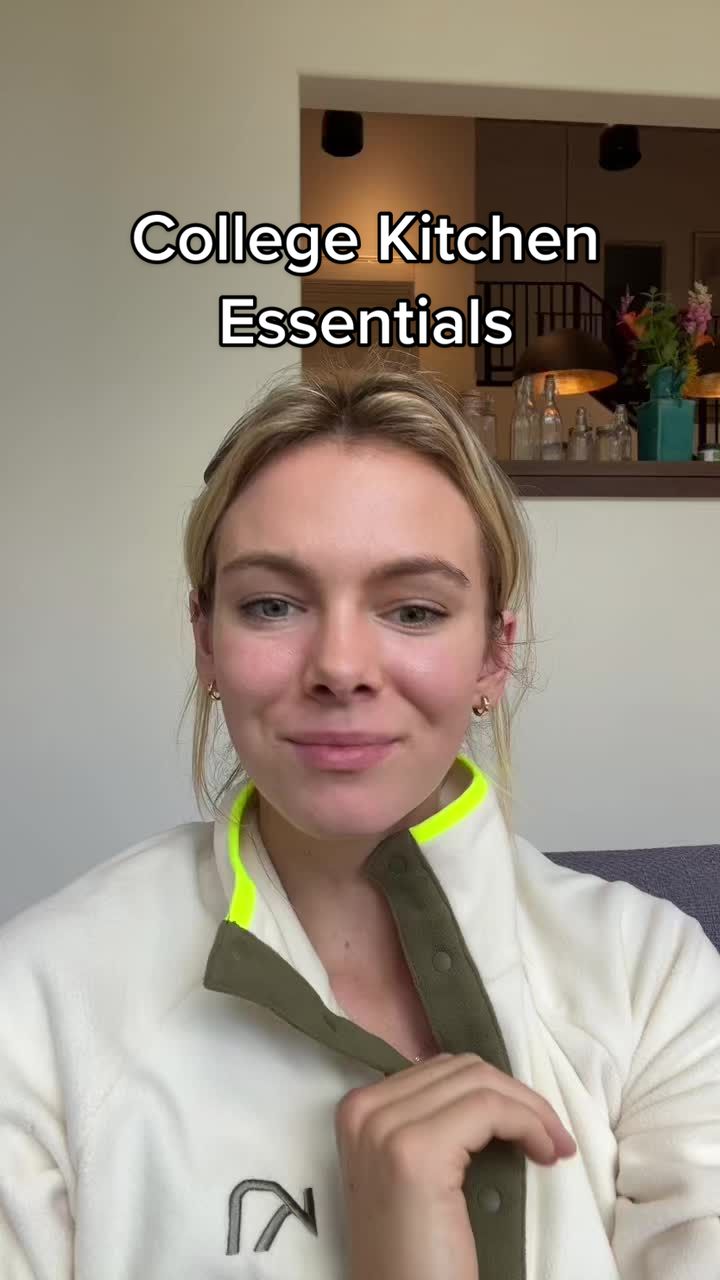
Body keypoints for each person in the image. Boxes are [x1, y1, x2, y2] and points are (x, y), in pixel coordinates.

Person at [1, 365, 718, 1280]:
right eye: (272, 605)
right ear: (206, 640)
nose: (340, 666)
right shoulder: (35, 1006)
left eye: (414, 610)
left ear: (493, 655)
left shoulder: (656, 978)